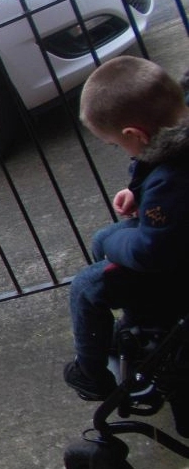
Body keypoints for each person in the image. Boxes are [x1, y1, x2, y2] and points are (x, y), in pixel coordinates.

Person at [63, 56, 189, 401]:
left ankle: (90, 374)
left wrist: (117, 243)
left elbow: (152, 250)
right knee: (104, 238)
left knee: (88, 285)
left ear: (135, 134)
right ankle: (139, 322)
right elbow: (159, 173)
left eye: (117, 144)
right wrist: (138, 193)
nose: (122, 150)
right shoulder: (178, 137)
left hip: (176, 269)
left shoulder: (171, 181)